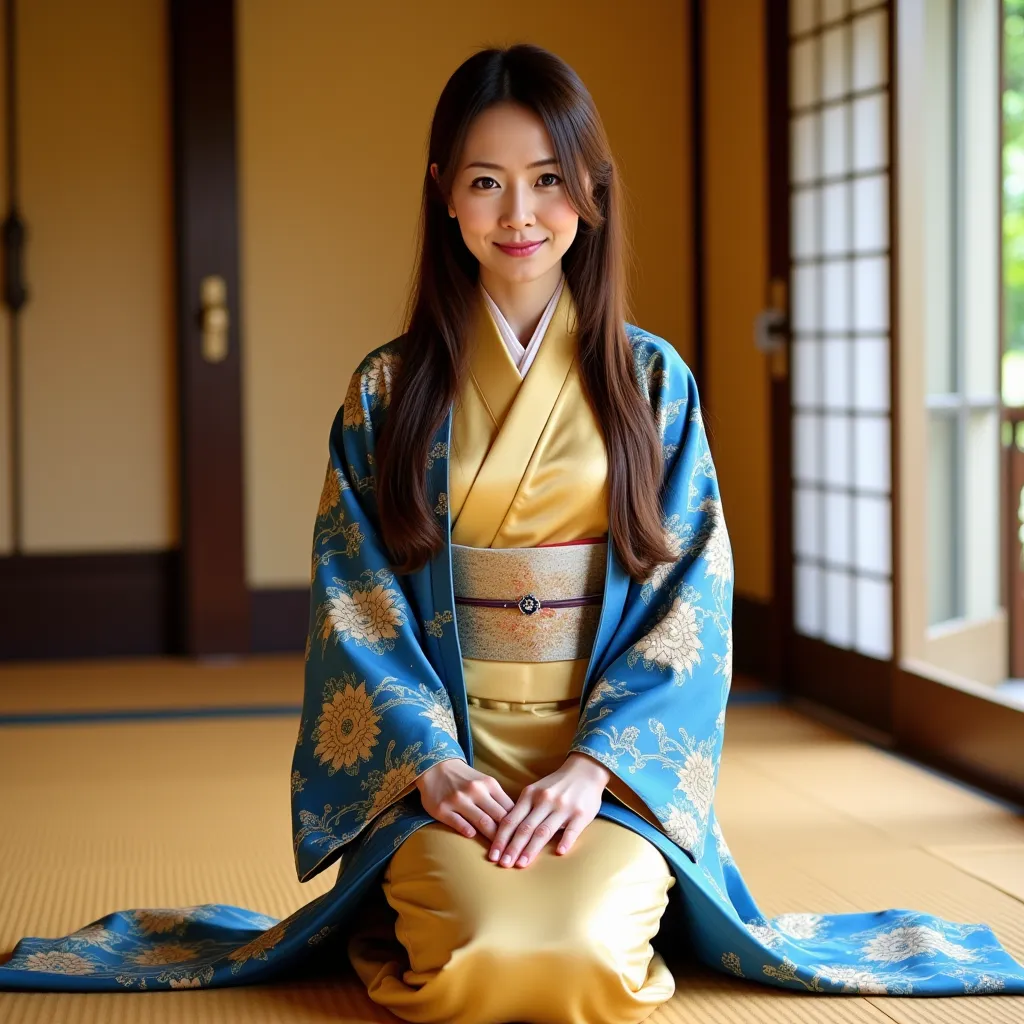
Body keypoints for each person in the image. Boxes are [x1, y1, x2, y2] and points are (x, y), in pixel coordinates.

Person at [2, 41, 1023, 1019]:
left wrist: (594, 769)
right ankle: (402, 898)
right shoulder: (388, 391)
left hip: (606, 780)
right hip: (446, 781)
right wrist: (430, 766)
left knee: (577, 963)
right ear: (443, 190)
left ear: (591, 188)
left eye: (547, 178)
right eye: (487, 182)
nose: (520, 212)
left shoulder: (651, 385)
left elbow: (691, 604)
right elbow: (352, 599)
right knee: (482, 963)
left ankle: (612, 874)